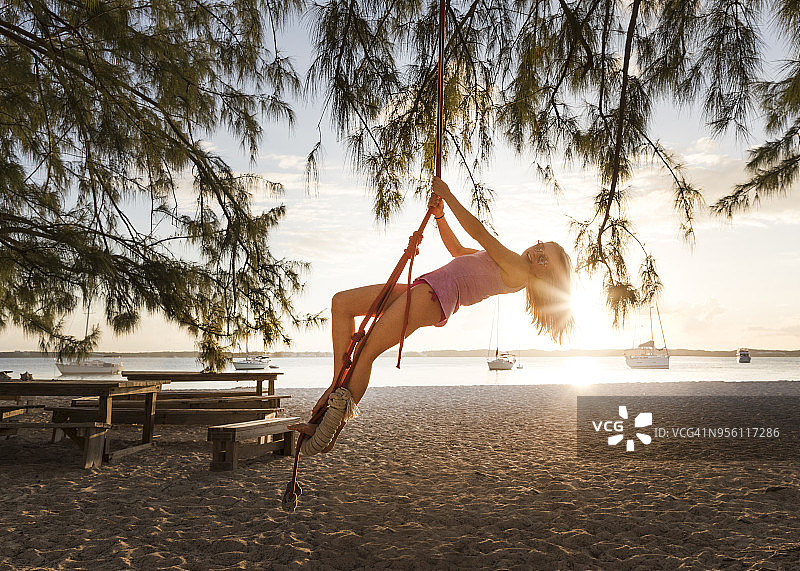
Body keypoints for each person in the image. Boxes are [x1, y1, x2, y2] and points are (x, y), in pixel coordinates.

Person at [289, 176, 574, 454]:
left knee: (365, 352)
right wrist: (440, 216)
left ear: (543, 275)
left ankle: (329, 431)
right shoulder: (506, 263)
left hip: (431, 297)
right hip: (423, 289)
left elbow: (480, 233)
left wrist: (448, 195)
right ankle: (335, 386)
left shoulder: (519, 269)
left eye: (543, 259)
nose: (536, 253)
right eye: (540, 246)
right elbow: (458, 250)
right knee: (342, 304)